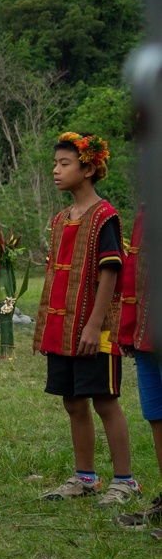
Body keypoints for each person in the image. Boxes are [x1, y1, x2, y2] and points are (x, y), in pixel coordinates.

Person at [31, 133, 138, 505]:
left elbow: (110, 271)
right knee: (73, 402)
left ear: (89, 168)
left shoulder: (104, 216)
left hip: (96, 329)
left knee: (104, 400)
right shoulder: (62, 219)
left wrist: (94, 325)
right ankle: (86, 477)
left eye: (65, 164)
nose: (56, 170)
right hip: (64, 329)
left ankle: (125, 480)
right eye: (55, 163)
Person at [118, 208, 162, 534]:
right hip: (148, 335)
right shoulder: (147, 211)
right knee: (156, 414)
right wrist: (128, 329)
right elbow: (134, 270)